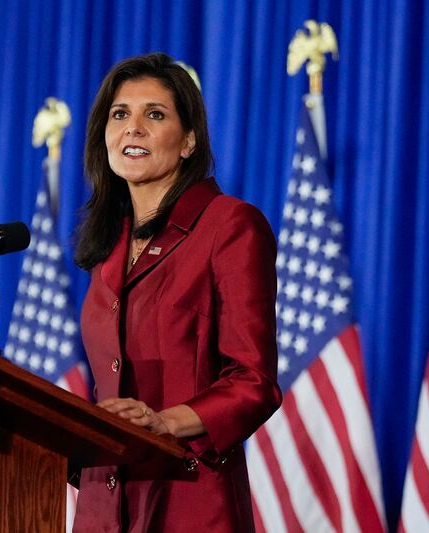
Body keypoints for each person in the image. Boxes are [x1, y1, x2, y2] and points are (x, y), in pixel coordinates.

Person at [73, 52, 282, 533]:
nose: (133, 128)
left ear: (189, 141)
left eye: (156, 114)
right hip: (102, 512)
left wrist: (166, 423)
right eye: (120, 114)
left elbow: (254, 380)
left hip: (189, 502)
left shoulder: (230, 226)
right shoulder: (108, 250)